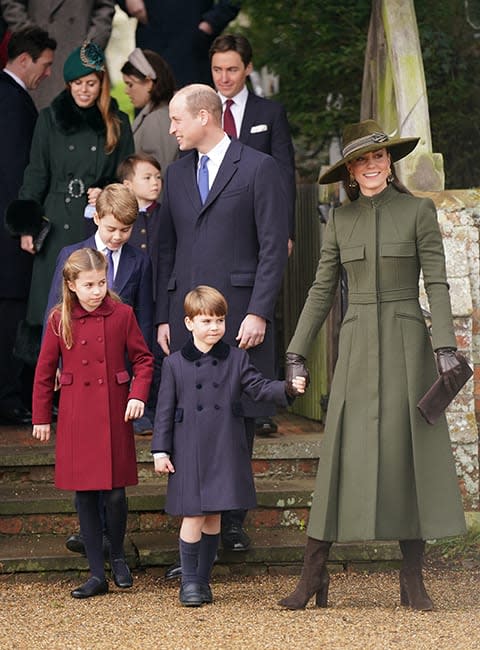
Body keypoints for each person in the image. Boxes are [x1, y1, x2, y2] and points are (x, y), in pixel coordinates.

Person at [278, 119, 467, 611]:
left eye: (378, 158)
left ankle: (412, 578)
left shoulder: (418, 213)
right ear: (349, 171)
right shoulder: (340, 221)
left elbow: (438, 283)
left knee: (412, 455)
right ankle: (313, 575)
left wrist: (445, 346)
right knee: (341, 449)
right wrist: (296, 350)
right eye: (361, 161)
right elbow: (322, 289)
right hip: (358, 344)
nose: (371, 167)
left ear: (390, 161)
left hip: (409, 343)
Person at [155, 84, 289, 555]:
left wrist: (259, 312)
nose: (171, 128)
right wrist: (163, 317)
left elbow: (273, 248)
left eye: (176, 119)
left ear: (204, 117)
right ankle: (198, 532)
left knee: (238, 416)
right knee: (190, 417)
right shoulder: (174, 175)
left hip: (239, 317)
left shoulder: (259, 167)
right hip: (186, 318)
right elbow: (165, 250)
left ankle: (231, 524)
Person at [152, 285, 305, 606]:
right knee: (193, 515)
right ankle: (190, 583)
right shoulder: (175, 364)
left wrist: (287, 387)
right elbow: (164, 411)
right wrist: (160, 450)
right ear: (189, 323)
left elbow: (259, 387)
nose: (214, 328)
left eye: (219, 321)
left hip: (224, 446)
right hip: (188, 449)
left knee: (214, 517)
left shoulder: (237, 358)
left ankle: (203, 580)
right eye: (206, 321)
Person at [32, 247, 153, 598]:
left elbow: (144, 360)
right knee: (84, 495)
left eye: (101, 282)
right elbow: (43, 372)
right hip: (76, 414)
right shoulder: (59, 319)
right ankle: (96, 573)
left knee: (115, 494)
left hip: (114, 410)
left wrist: (138, 394)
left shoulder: (122, 314)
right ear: (71, 285)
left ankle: (118, 556)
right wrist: (42, 416)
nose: (97, 290)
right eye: (88, 285)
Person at [6, 41, 134, 366]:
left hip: (94, 225)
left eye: (91, 83)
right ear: (68, 84)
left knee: (90, 302)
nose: (84, 90)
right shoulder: (49, 119)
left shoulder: (117, 121)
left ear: (101, 83)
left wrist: (106, 190)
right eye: (78, 83)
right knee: (50, 305)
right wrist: (27, 226)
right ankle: (48, 388)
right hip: (55, 222)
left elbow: (126, 175)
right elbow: (36, 172)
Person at [210, 32, 297, 438]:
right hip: (221, 227)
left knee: (261, 310)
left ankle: (262, 406)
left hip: (262, 225)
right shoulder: (204, 109)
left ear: (247, 68)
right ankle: (222, 398)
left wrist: (286, 231)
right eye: (217, 69)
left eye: (231, 69)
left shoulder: (269, 112)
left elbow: (284, 175)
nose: (224, 77)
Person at [0, 27, 55, 425]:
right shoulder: (13, 103)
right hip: (8, 237)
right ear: (24, 60)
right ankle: (9, 397)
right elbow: (16, 175)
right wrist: (24, 228)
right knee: (11, 313)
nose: (48, 73)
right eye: (45, 64)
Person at [118, 153, 164, 434]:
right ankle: (137, 411)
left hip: (160, 298)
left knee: (157, 356)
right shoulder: (121, 219)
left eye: (158, 177)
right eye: (147, 177)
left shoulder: (167, 213)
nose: (155, 182)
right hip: (129, 302)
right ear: (127, 184)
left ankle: (158, 411)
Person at [0, 0, 115, 109]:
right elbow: (12, 4)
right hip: (37, 58)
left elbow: (104, 8)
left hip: (78, 54)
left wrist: (89, 50)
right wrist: (32, 37)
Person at [116, 0, 241, 88]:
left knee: (196, 107)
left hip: (194, 40)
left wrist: (211, 23)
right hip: (152, 36)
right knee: (151, 110)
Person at [121, 48, 179, 173]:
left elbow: (160, 173)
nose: (126, 91)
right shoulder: (155, 115)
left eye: (130, 84)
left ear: (148, 82)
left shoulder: (157, 120)